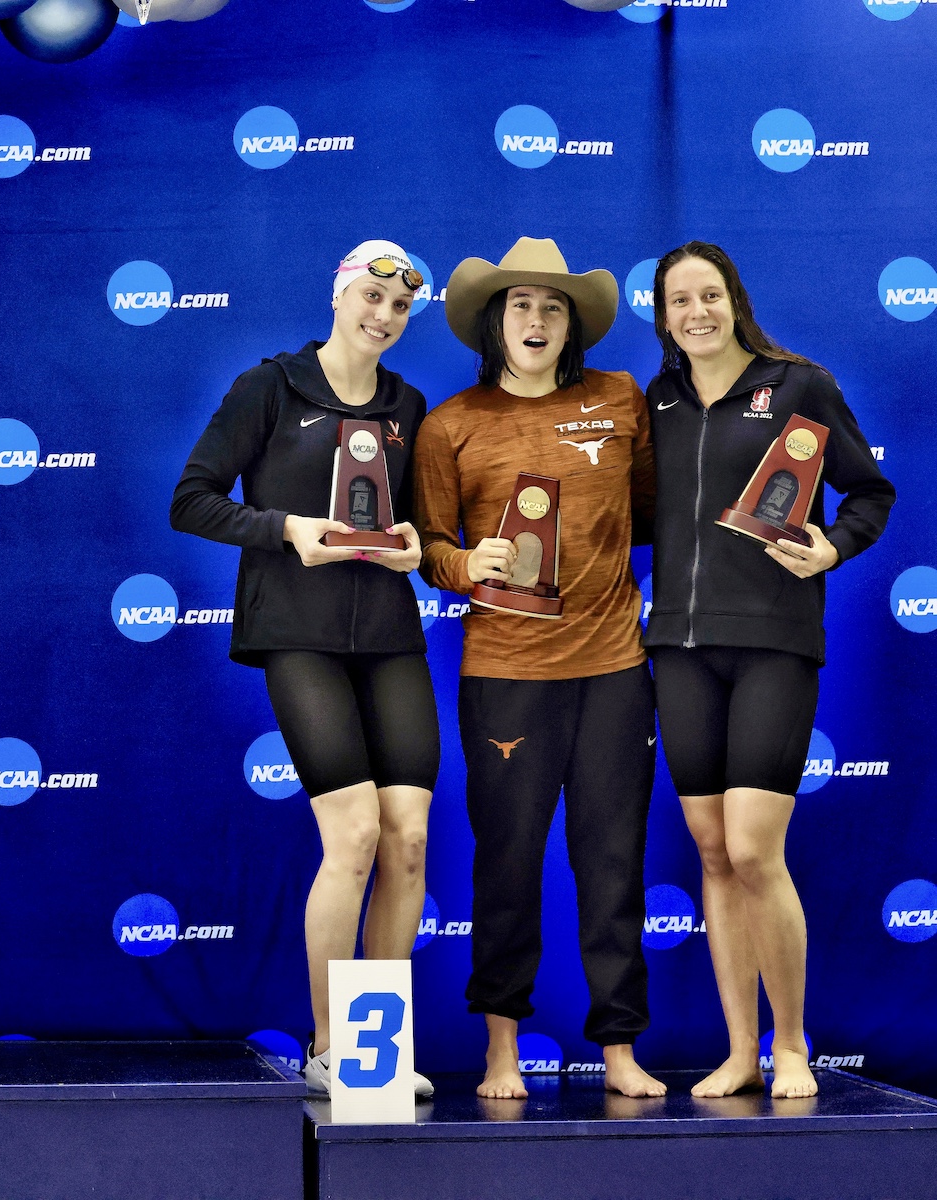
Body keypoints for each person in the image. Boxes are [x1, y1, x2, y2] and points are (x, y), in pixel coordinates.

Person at [172, 241, 440, 1098]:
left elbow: (422, 532)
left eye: (400, 308)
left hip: (390, 637)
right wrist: (287, 530)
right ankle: (334, 1049)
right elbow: (193, 498)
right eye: (371, 297)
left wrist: (414, 547)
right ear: (339, 295)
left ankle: (380, 1054)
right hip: (298, 634)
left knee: (409, 841)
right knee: (354, 837)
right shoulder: (272, 386)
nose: (384, 317)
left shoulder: (409, 404)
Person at [412, 237, 664, 1100]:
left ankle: (621, 1048)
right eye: (520, 304)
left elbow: (655, 513)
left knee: (612, 862)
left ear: (573, 325)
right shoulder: (450, 423)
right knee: (509, 865)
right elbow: (432, 547)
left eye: (553, 307)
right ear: (494, 320)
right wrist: (461, 566)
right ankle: (500, 1050)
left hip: (616, 669)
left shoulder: (621, 400)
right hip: (506, 672)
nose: (536, 319)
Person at [645, 242, 893, 1100]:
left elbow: (870, 493)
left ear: (734, 300)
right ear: (664, 317)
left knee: (754, 848)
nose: (696, 312)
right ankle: (740, 1050)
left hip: (775, 644)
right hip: (675, 648)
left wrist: (834, 545)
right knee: (713, 853)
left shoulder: (800, 386)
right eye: (679, 301)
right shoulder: (660, 400)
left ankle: (792, 1046)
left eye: (708, 295)